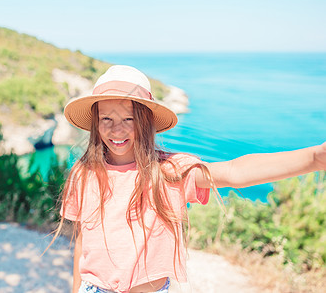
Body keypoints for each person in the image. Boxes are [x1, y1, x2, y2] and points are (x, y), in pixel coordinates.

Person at [50, 65, 326, 293]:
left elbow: (233, 172)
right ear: (96, 122)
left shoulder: (169, 170)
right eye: (106, 118)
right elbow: (83, 243)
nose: (116, 129)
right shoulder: (84, 173)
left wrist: (314, 158)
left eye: (129, 119)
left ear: (145, 123)